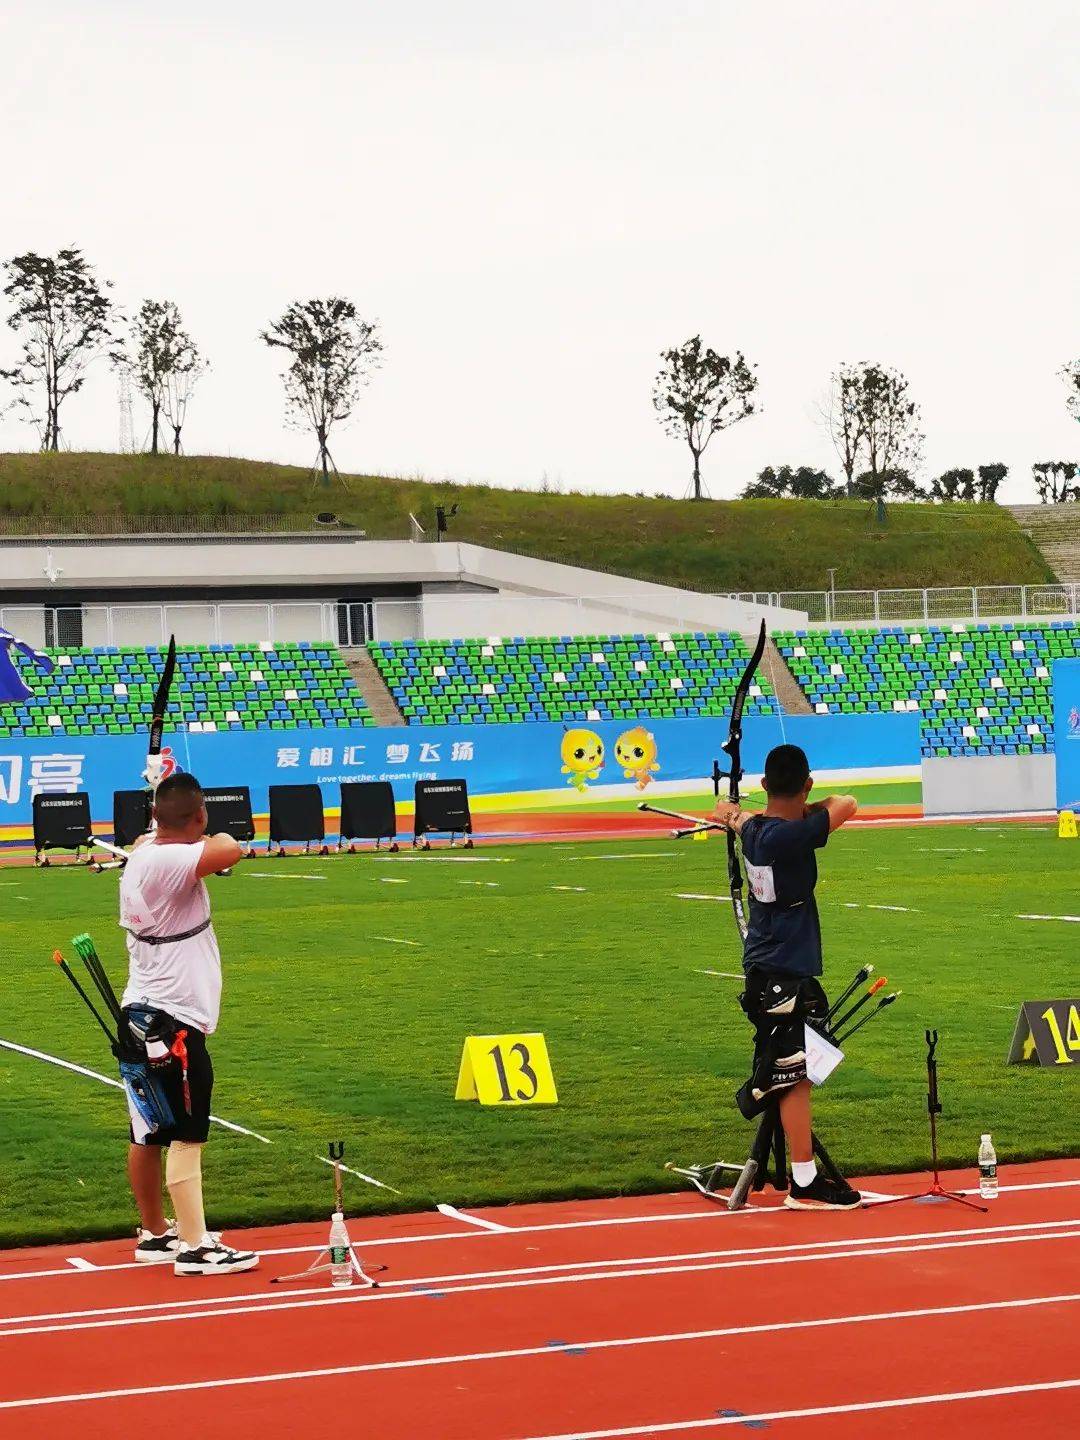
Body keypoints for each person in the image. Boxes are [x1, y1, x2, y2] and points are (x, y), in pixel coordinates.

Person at [118, 771, 258, 1274]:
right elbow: (230, 849)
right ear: (198, 816)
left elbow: (174, 844)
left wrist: (162, 818)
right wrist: (199, 829)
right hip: (172, 1022)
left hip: (140, 1015)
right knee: (186, 1132)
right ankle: (196, 1248)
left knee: (148, 1133)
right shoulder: (168, 857)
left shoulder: (146, 854)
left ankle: (156, 1235)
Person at [712, 743, 859, 1211]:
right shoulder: (786, 837)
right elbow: (848, 804)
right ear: (807, 783)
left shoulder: (754, 828)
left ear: (762, 785)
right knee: (793, 1073)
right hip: (782, 967)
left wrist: (733, 814)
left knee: (794, 1065)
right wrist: (808, 809)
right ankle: (803, 1180)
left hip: (771, 962)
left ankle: (797, 1171)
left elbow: (739, 818)